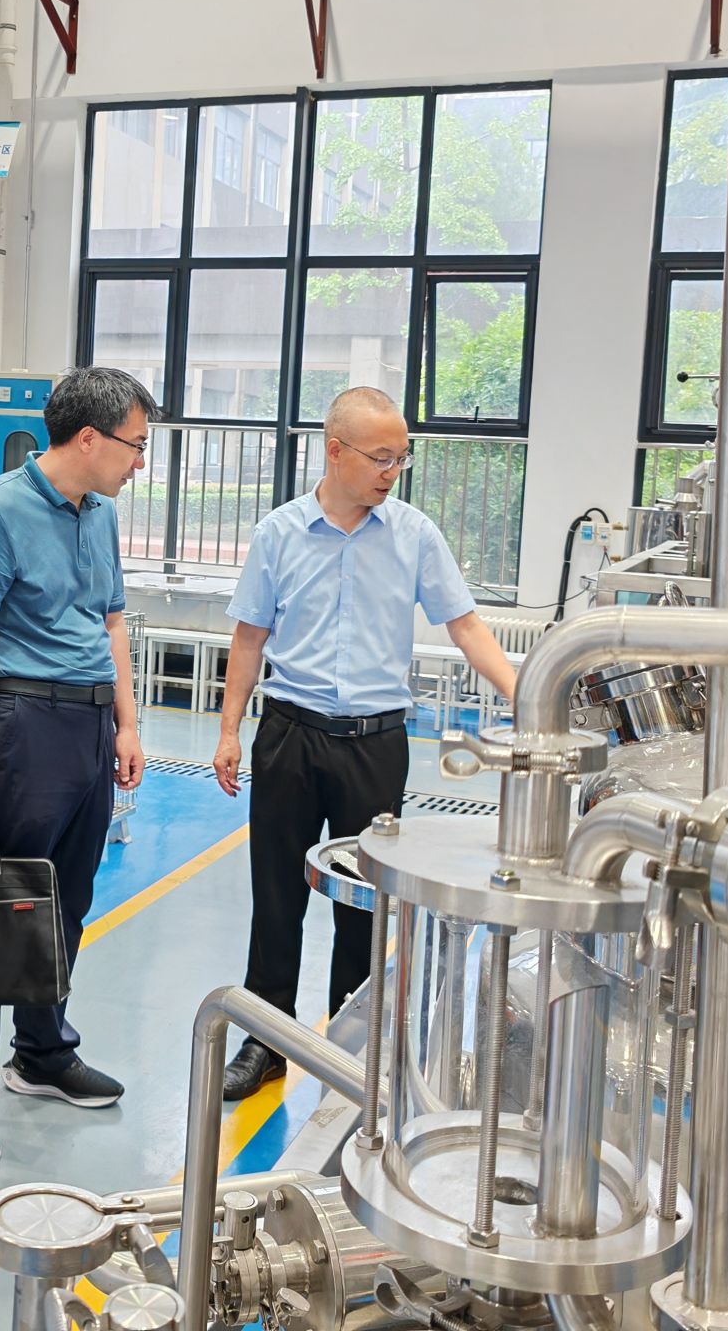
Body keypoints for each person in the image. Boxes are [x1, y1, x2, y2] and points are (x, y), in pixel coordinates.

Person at [211, 385, 518, 1101]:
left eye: (401, 459)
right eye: (382, 457)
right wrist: (229, 731)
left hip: (374, 745)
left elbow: (465, 626)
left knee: (363, 903)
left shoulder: (414, 535)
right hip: (289, 736)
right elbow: (249, 637)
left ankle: (354, 1046)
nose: (392, 471)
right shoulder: (279, 533)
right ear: (336, 451)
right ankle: (266, 1041)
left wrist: (525, 691)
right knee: (276, 898)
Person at [0, 365, 156, 1165]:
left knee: (65, 903)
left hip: (89, 726)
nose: (140, 462)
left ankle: (42, 1053)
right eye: (135, 444)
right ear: (89, 438)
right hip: (23, 723)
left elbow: (112, 621)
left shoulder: (100, 513)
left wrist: (126, 723)